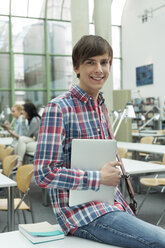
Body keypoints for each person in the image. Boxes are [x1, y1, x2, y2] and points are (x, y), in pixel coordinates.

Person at [34, 35, 165, 248]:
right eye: (90, 62)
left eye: (104, 62)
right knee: (160, 240)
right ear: (77, 67)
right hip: (80, 214)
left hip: (111, 205)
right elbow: (43, 174)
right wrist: (98, 178)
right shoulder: (58, 108)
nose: (99, 69)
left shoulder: (101, 108)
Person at [15, 102, 41, 169]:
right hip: (35, 140)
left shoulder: (35, 120)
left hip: (39, 143)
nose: (22, 112)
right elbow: (27, 135)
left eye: (23, 110)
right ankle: (20, 164)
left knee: (20, 143)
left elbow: (27, 135)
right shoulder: (32, 119)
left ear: (27, 111)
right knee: (19, 144)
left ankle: (20, 162)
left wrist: (23, 122)